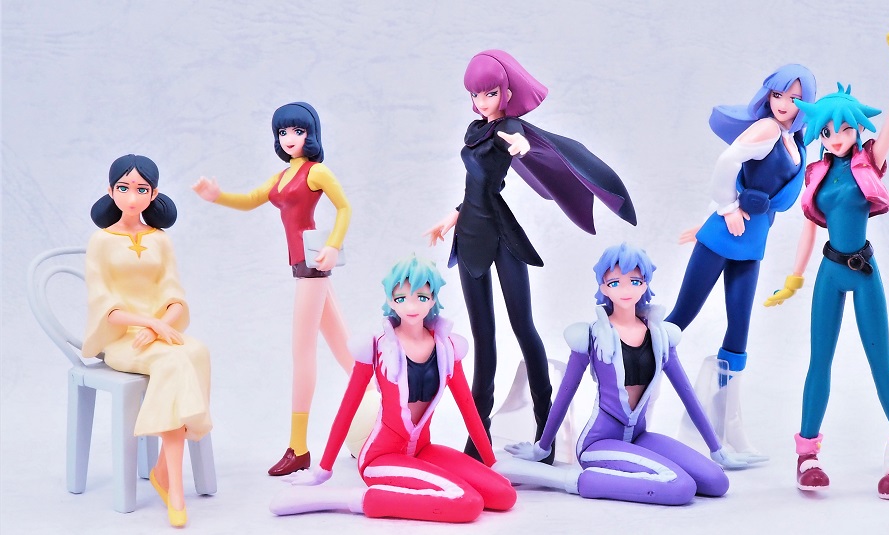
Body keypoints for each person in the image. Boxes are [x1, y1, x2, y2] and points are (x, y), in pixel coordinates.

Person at [424, 49, 636, 463]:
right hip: (469, 236)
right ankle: (478, 438)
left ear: (506, 93)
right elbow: (475, 187)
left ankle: (545, 431)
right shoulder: (476, 130)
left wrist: (521, 146)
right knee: (484, 336)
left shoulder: (510, 127)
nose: (482, 102)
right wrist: (451, 217)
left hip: (501, 236)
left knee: (523, 327)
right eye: (475, 95)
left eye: (489, 93)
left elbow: (517, 144)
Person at [765, 27, 889, 500]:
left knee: (880, 363)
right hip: (829, 273)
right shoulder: (816, 173)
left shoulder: (868, 161)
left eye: (844, 130)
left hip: (864, 271)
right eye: (827, 132)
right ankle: (806, 455)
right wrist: (793, 279)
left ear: (856, 128)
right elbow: (809, 229)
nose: (835, 138)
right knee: (819, 363)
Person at [192, 102, 375, 476]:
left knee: (302, 353)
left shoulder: (316, 172)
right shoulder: (280, 178)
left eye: (298, 131)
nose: (290, 138)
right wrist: (217, 195)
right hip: (303, 267)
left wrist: (333, 245)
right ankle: (381, 407)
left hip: (312, 267)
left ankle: (298, 447)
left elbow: (344, 208)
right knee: (344, 349)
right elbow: (250, 200)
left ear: (311, 134)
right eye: (283, 132)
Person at [497, 243, 750, 506]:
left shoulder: (661, 336)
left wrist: (717, 449)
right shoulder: (592, 335)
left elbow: (687, 394)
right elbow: (565, 393)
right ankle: (566, 480)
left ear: (645, 284)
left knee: (717, 482)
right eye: (615, 283)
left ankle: (630, 473)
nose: (626, 290)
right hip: (599, 442)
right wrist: (542, 447)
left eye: (635, 281)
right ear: (603, 287)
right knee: (681, 487)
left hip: (639, 436)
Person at [269, 256, 516, 522]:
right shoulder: (376, 347)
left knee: (505, 495)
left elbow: (469, 410)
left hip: (423, 450)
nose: (411, 306)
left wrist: (491, 462)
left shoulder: (447, 348)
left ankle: (415, 491)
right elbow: (347, 409)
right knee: (467, 503)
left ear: (433, 299)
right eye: (401, 298)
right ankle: (347, 498)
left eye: (421, 297)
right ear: (390, 300)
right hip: (381, 458)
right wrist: (323, 471)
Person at [667, 64, 816, 457]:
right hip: (723, 235)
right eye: (778, 95)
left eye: (794, 98)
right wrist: (727, 207)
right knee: (679, 319)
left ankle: (728, 426)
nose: (783, 104)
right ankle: (629, 396)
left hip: (751, 243)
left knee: (739, 329)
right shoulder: (767, 129)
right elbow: (727, 162)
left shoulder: (795, 141)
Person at [84, 154, 211, 527]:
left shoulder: (161, 240)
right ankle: (175, 489)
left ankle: (162, 469)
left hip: (159, 332)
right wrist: (146, 323)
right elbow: (103, 304)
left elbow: (175, 295)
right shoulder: (100, 241)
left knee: (198, 351)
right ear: (111, 191)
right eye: (123, 188)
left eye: (141, 189)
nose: (132, 197)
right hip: (123, 338)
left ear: (154, 194)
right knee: (173, 361)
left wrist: (159, 325)